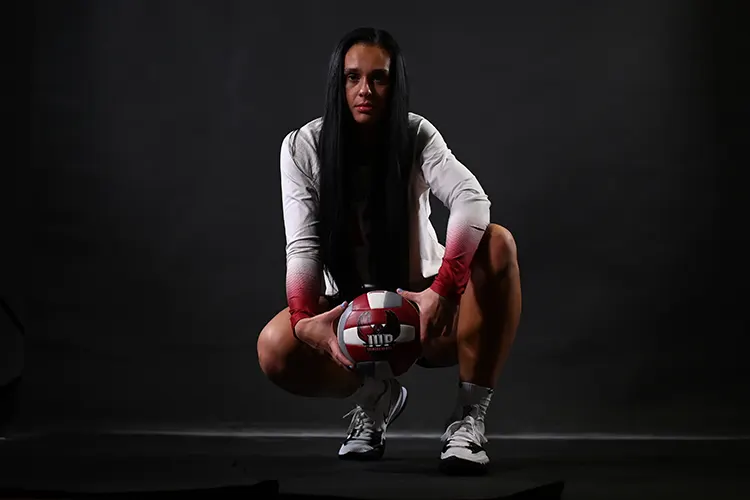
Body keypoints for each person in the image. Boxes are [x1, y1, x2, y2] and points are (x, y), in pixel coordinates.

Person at [257, 27, 522, 475]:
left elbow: (471, 200)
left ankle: (467, 420)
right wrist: (304, 321)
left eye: (378, 78)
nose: (365, 90)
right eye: (352, 77)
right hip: (349, 317)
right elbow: (303, 243)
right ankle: (375, 396)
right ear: (337, 83)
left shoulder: (416, 134)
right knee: (277, 347)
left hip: (425, 310)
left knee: (497, 241)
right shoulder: (303, 147)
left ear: (394, 83)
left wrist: (442, 289)